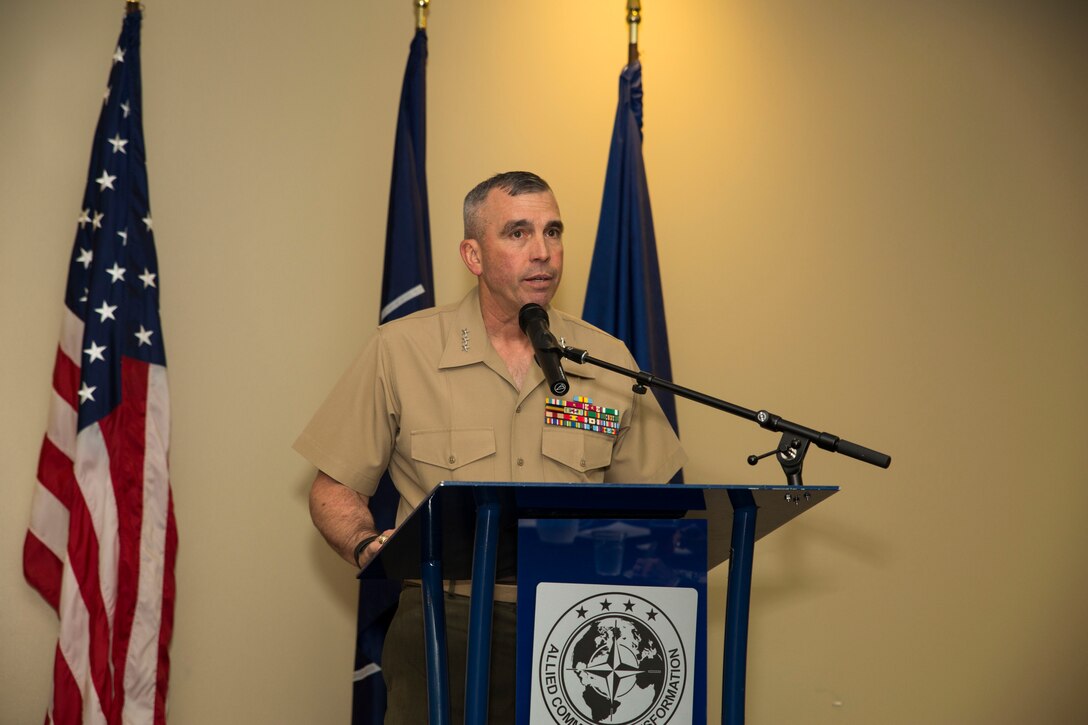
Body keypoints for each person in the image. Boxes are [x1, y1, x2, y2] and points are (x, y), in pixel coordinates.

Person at [294, 171, 685, 722]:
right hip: (446, 617)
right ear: (473, 255)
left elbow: (660, 508)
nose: (543, 253)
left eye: (554, 232)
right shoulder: (402, 350)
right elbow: (332, 489)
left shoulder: (606, 359)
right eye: (519, 233)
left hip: (583, 629)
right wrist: (365, 544)